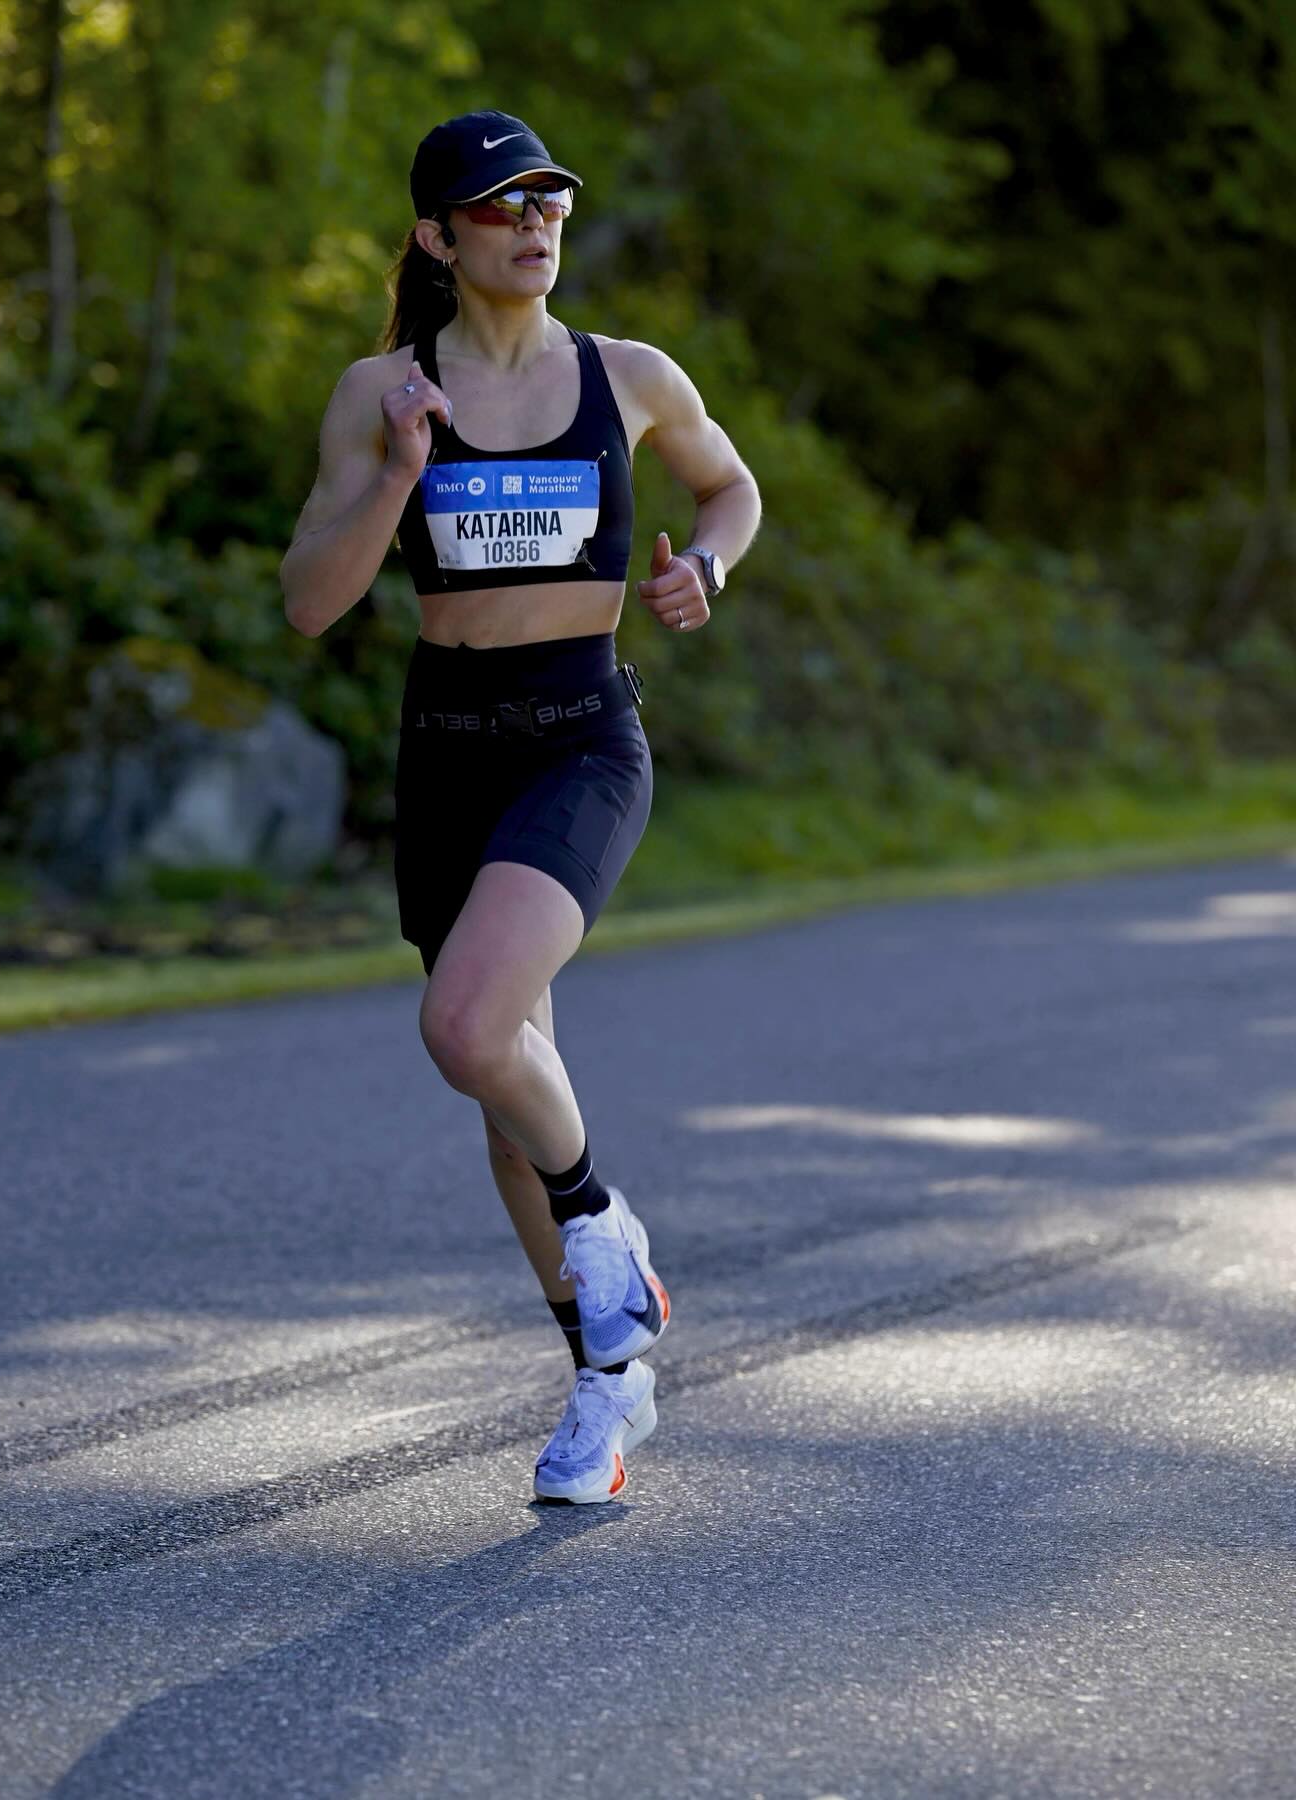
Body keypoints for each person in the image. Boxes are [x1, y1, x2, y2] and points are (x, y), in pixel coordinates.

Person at [281, 109, 761, 1504]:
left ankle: (606, 1225)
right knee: (505, 1103)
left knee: (466, 1025)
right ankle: (606, 1395)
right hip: (449, 750)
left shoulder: (630, 375)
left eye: (548, 200)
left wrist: (708, 572)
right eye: (499, 207)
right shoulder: (381, 392)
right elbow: (312, 604)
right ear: (439, 236)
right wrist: (398, 478)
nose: (534, 223)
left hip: (578, 742)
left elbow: (728, 489)